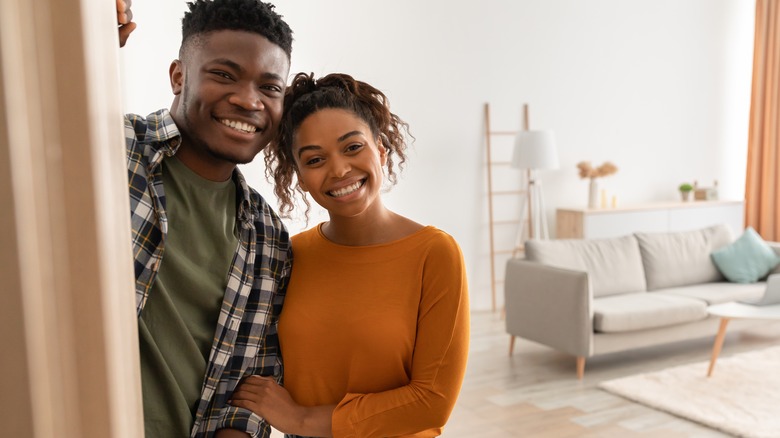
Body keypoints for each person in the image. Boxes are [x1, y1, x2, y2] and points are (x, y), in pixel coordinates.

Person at [228, 72, 471, 437]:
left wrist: (301, 420)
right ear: (299, 175)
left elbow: (431, 402)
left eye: (353, 147)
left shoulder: (435, 254)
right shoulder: (291, 255)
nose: (339, 170)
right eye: (314, 159)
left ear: (381, 151)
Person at [116, 1, 293, 436]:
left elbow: (249, 384)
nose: (249, 100)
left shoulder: (268, 238)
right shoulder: (113, 150)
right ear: (179, 76)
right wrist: (76, 37)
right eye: (224, 75)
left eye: (270, 88)